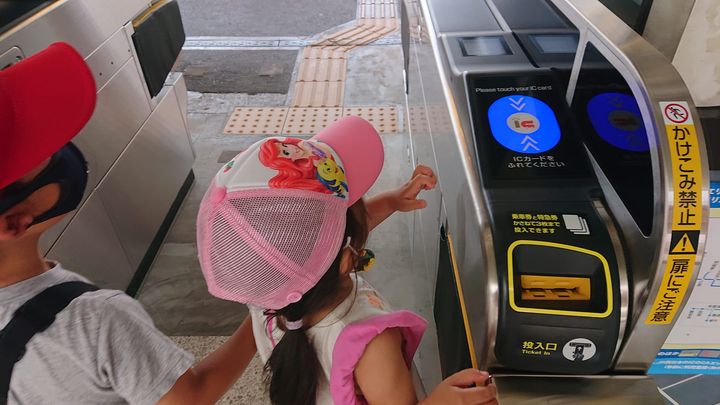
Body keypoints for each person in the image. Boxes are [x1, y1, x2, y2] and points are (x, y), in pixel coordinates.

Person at [0, 42, 257, 404]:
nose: (59, 147)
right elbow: (191, 396)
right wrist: (260, 317)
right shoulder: (95, 320)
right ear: (14, 222)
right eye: (45, 154)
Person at [196, 116, 498, 405]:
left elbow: (319, 243)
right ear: (345, 258)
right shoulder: (371, 343)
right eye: (353, 205)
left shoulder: (266, 289)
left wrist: (390, 201)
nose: (361, 205)